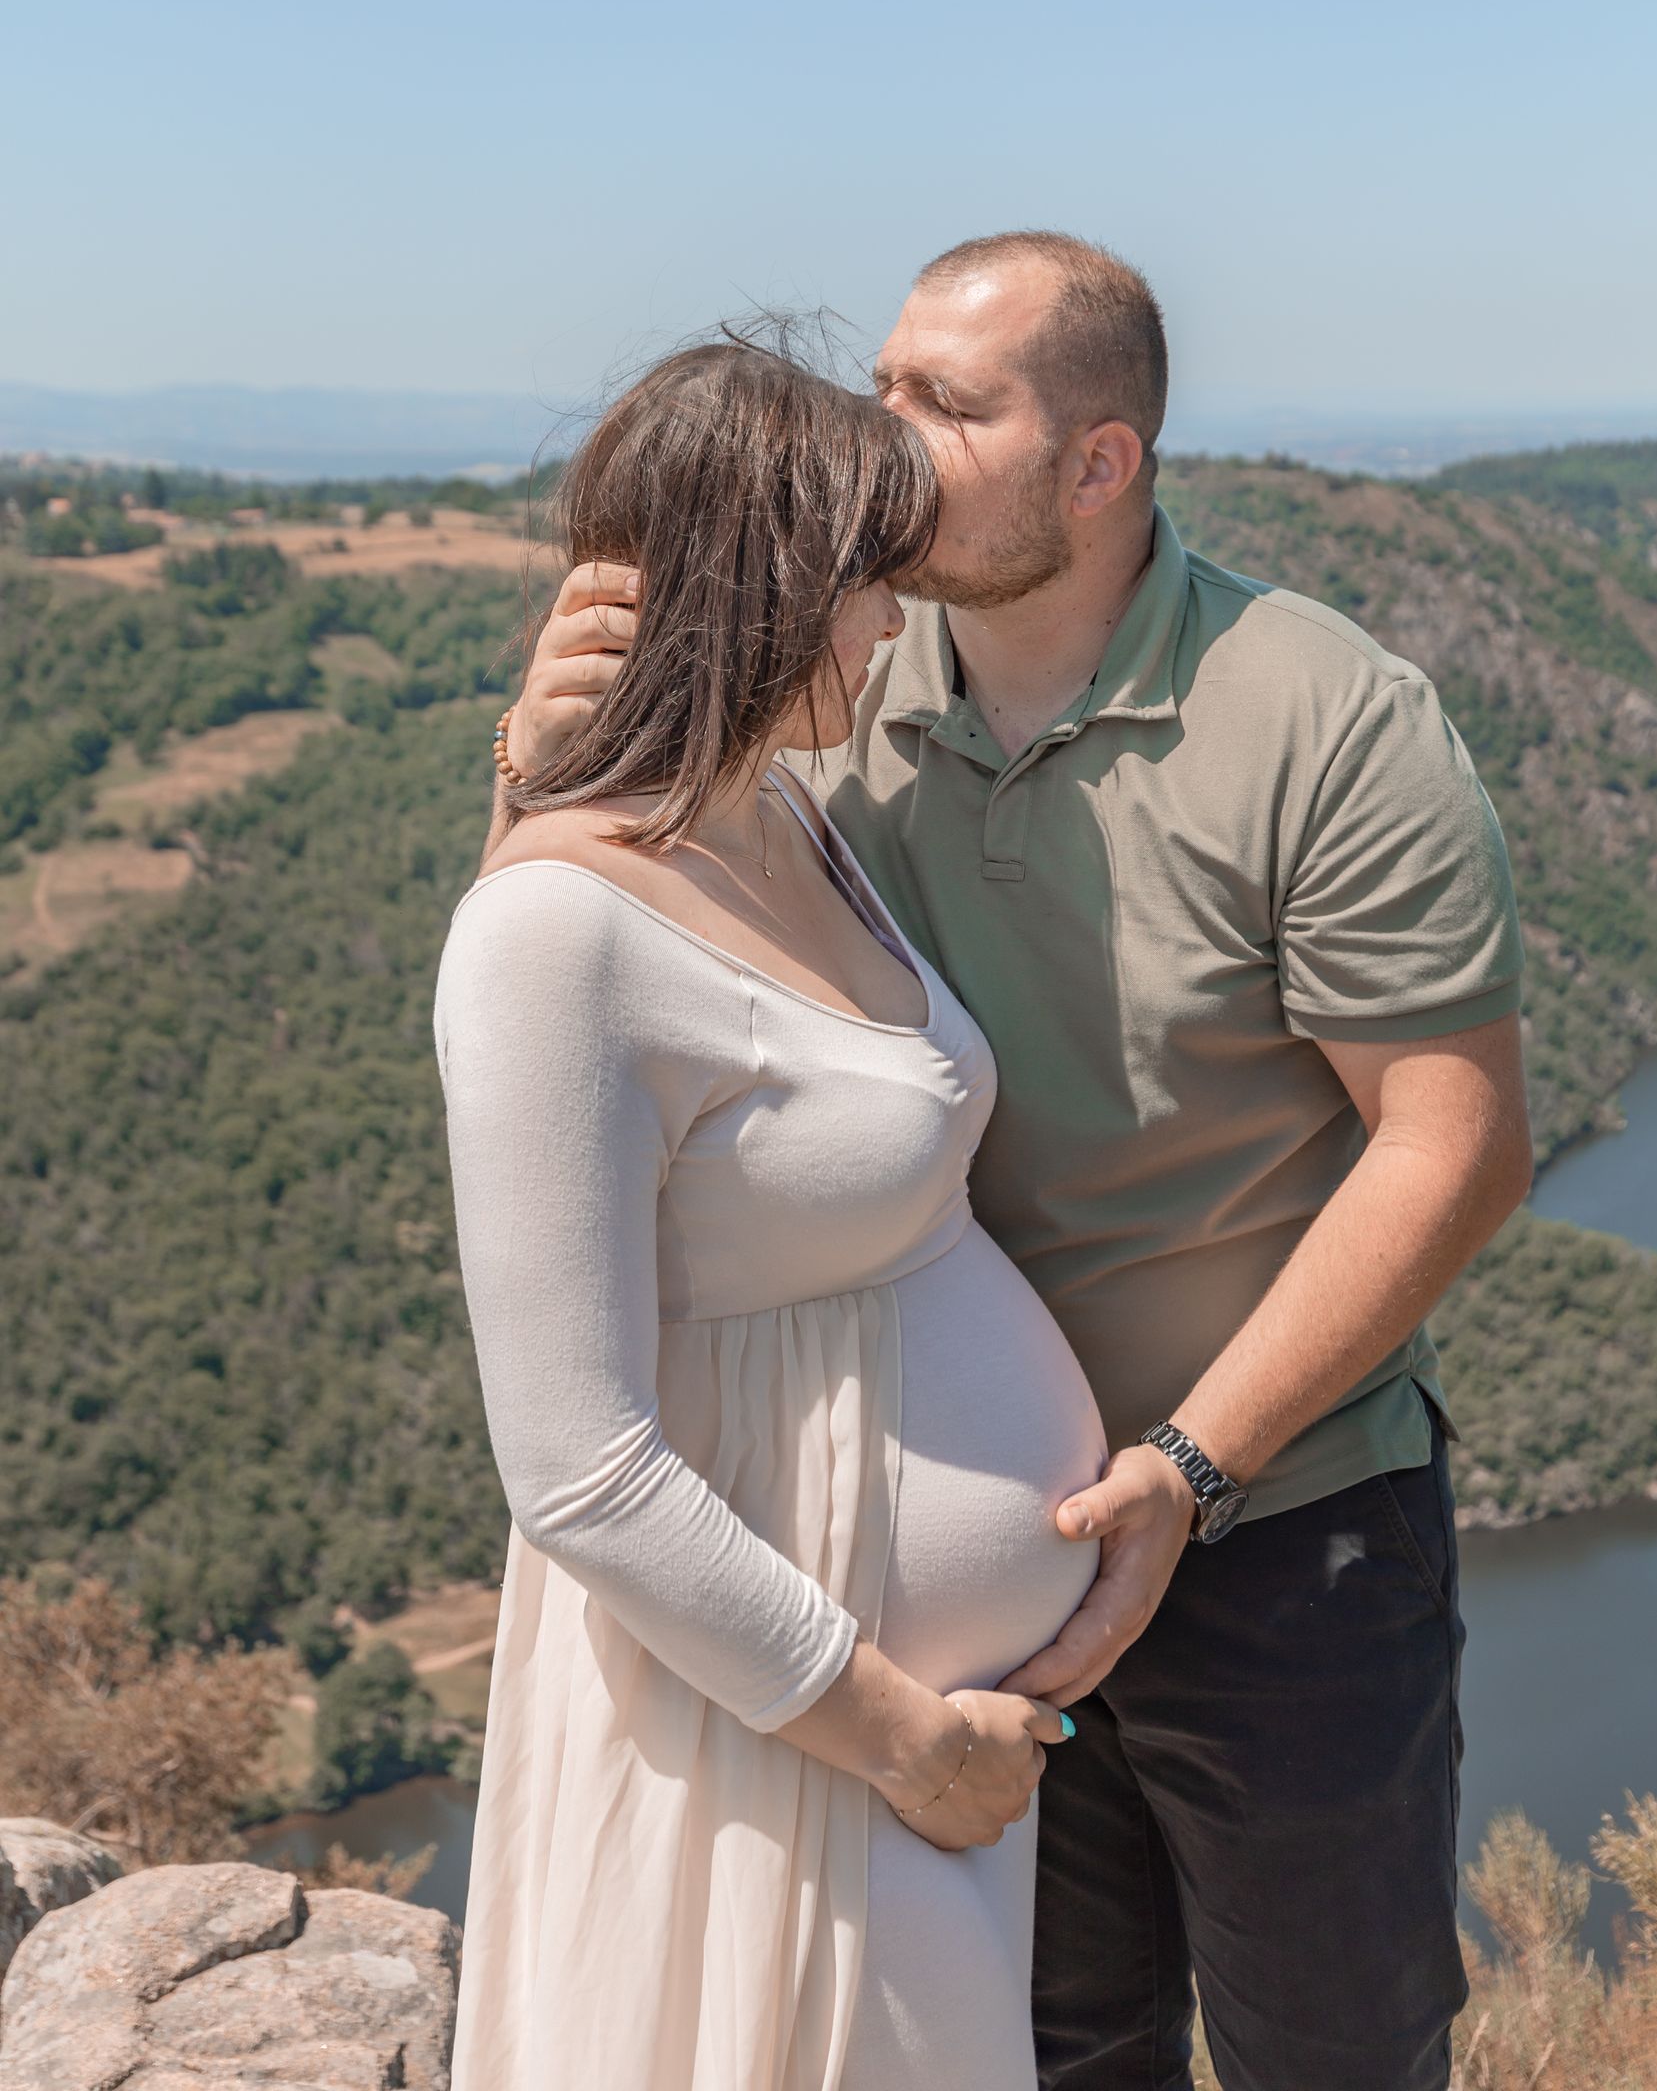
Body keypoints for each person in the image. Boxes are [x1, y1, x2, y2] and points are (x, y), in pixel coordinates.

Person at [508, 233, 1535, 2091]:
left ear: (1099, 460)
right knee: (1051, 2055)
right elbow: (603, 968)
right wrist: (540, 761)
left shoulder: (1316, 713)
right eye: (885, 386)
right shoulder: (835, 694)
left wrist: (1189, 1471)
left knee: (1336, 2051)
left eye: (947, 405)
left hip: (1283, 1535)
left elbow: (1452, 1145)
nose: (885, 441)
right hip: (944, 1591)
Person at [437, 333, 1103, 2091]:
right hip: (796, 1733)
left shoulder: (789, 819)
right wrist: (905, 1744)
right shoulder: (547, 933)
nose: (896, 629)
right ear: (758, 589)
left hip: (893, 1736)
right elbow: (577, 1467)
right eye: (865, 588)